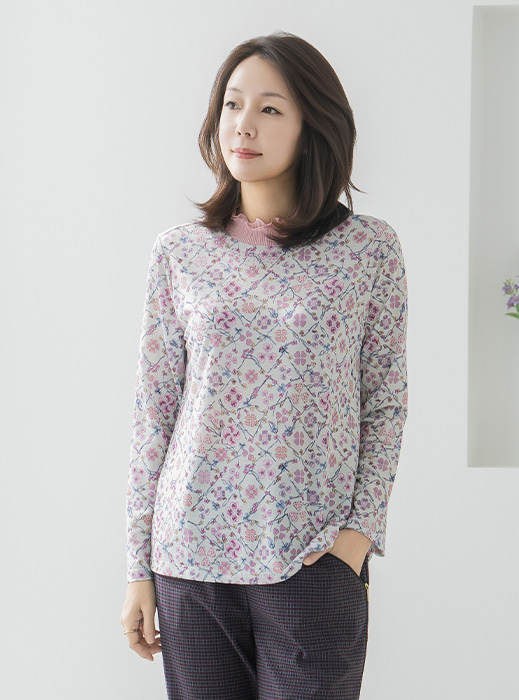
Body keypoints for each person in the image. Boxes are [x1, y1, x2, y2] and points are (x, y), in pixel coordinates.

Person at [120, 30, 408, 700]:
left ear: (314, 127)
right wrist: (138, 566)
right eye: (232, 104)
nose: (242, 124)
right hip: (189, 558)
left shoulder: (367, 250)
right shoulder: (180, 253)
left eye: (270, 108)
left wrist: (356, 539)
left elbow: (386, 401)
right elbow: (153, 414)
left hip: (310, 557)